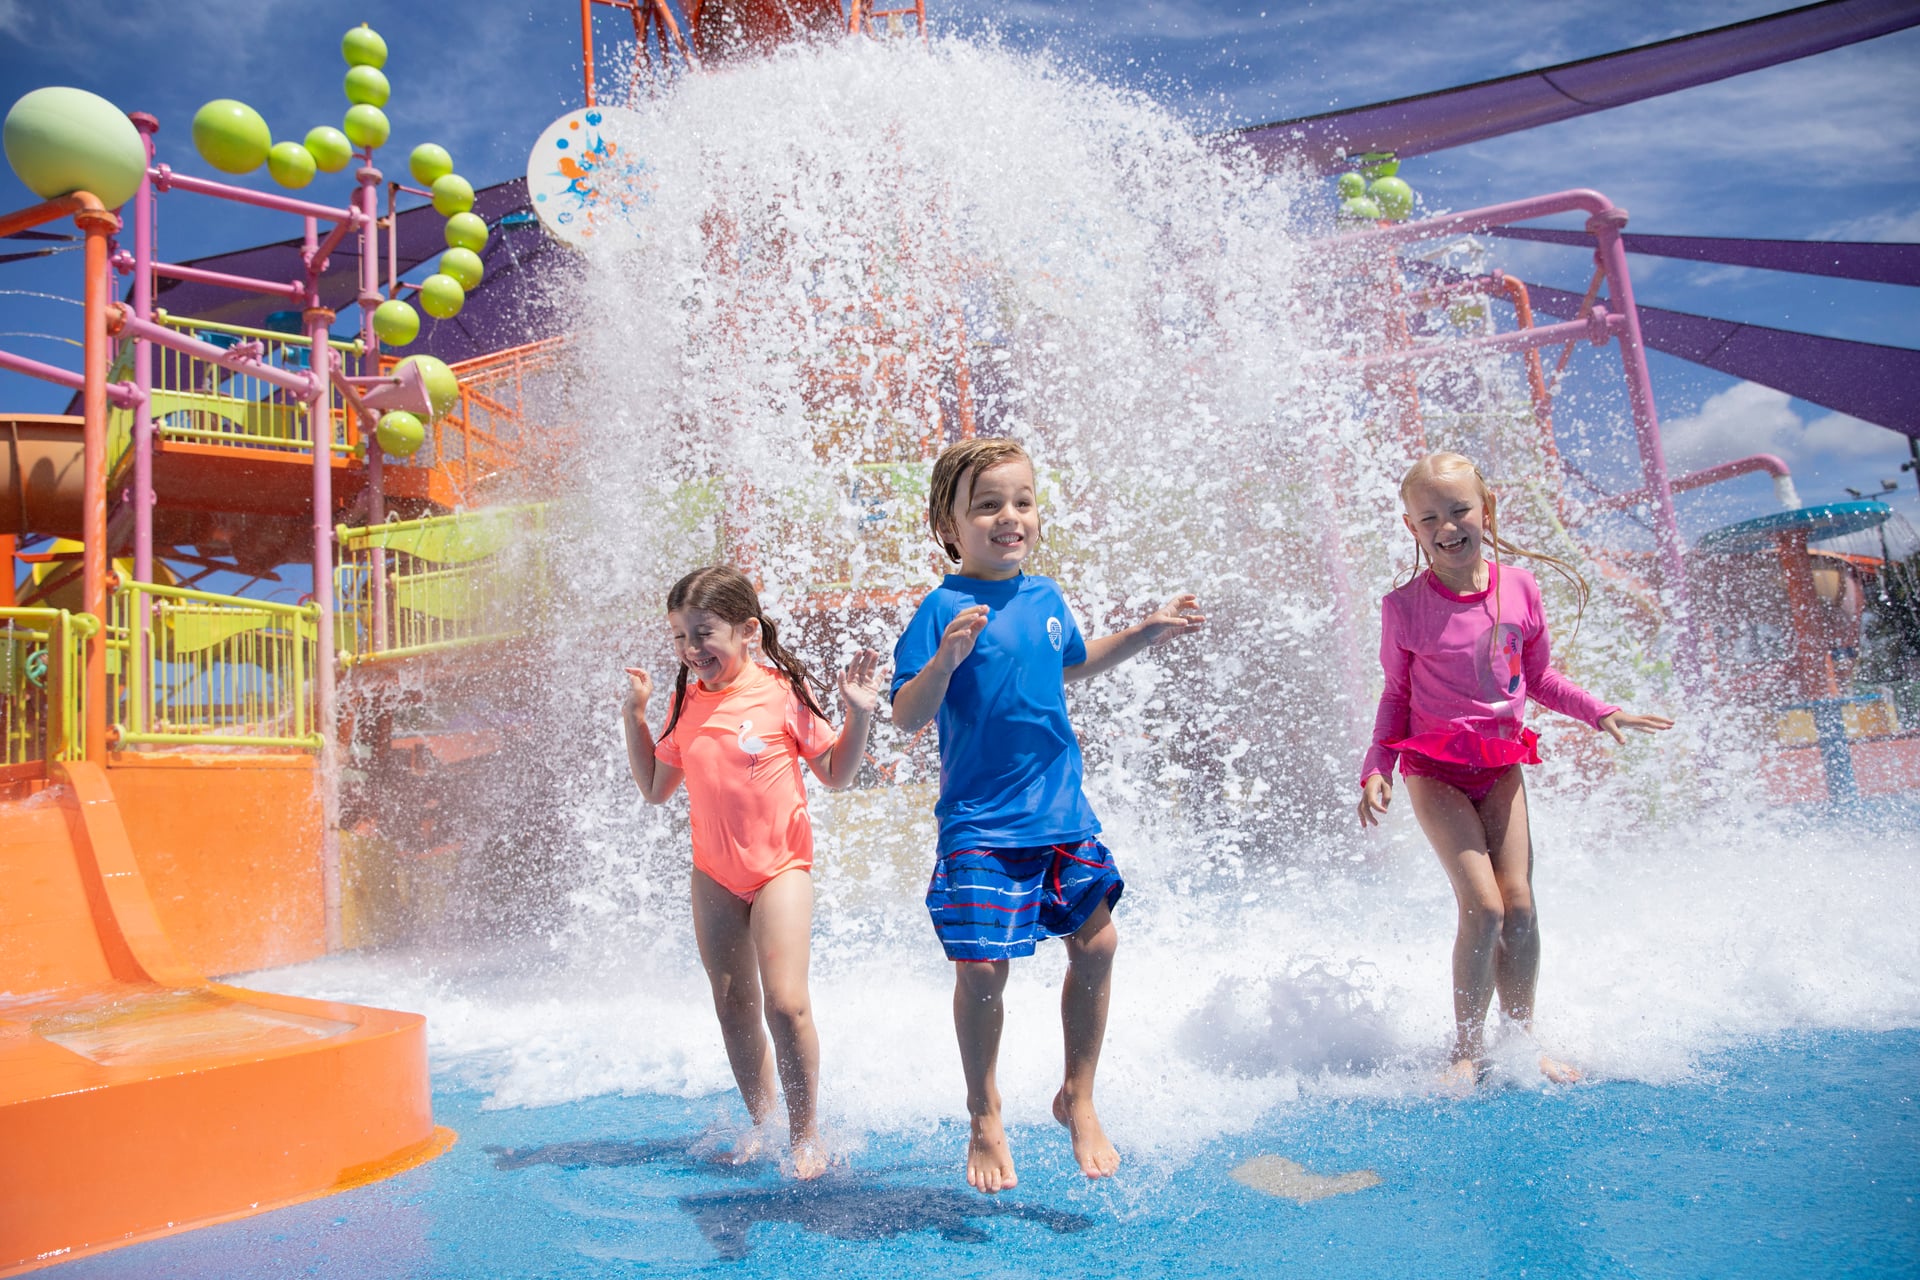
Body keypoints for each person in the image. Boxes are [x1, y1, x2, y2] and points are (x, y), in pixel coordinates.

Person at [890, 437, 1204, 1193]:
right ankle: (984, 1111)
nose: (1010, 516)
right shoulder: (941, 609)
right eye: (988, 505)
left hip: (1060, 811)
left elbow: (1073, 662)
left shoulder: (1046, 596)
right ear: (948, 525)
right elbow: (906, 715)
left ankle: (1077, 1095)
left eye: (1022, 502)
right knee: (982, 968)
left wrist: (1146, 630)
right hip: (979, 821)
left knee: (1097, 945)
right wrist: (944, 663)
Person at [1356, 452, 1673, 1092]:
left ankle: (1523, 1042)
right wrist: (1376, 765)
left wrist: (1600, 711)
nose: (1447, 526)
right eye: (1429, 518)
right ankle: (1465, 1050)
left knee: (1520, 906)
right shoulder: (1404, 607)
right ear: (1412, 528)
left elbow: (1541, 678)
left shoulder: (1520, 588)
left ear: (1487, 509)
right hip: (1434, 769)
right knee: (1483, 906)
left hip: (1500, 766)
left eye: (1459, 510)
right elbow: (1396, 695)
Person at [622, 565, 882, 1178]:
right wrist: (635, 716)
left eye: (703, 633)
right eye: (680, 637)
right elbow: (655, 788)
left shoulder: (781, 692)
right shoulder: (686, 701)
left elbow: (835, 775)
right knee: (734, 1006)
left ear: (747, 631)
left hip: (780, 869)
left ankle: (805, 1132)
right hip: (713, 873)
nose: (691, 649)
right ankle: (764, 1127)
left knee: (785, 1004)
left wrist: (858, 716)